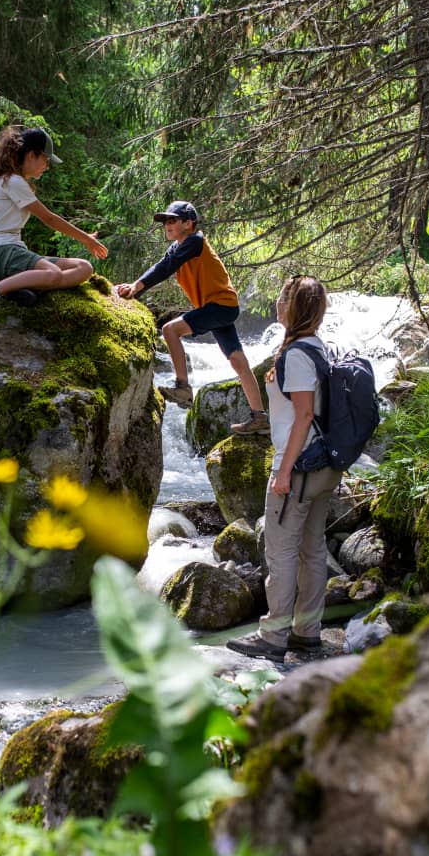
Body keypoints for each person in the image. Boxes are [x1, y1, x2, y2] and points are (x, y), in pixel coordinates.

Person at [227, 275, 342, 662]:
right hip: (325, 466)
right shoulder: (318, 348)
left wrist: (283, 471)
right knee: (312, 550)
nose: (277, 303)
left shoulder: (296, 355)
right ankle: (306, 633)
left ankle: (273, 637)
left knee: (281, 552)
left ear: (293, 307)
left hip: (300, 468)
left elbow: (305, 414)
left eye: (282, 298)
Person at [116, 200, 268, 431]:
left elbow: (167, 267)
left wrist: (136, 287)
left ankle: (183, 387)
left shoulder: (195, 241)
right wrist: (135, 287)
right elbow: (163, 265)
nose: (167, 225)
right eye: (165, 221)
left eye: (172, 220)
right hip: (220, 307)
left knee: (170, 330)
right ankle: (260, 417)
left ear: (189, 223)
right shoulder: (179, 246)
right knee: (238, 361)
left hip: (220, 306)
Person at [0, 125, 108, 324]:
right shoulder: (12, 181)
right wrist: (86, 239)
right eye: (46, 160)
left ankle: (16, 288)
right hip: (0, 252)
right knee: (53, 274)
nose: (47, 166)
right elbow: (49, 218)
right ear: (32, 155)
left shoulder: (15, 180)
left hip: (12, 252)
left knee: (84, 268)